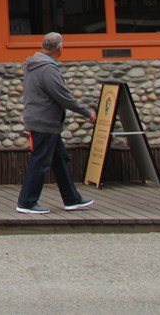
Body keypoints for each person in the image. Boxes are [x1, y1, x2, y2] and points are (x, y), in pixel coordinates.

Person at [16, 32, 96, 215]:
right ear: (59, 48)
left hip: (41, 120)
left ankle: (71, 199)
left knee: (60, 160)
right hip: (44, 122)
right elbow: (63, 96)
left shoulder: (33, 65)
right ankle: (27, 202)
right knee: (40, 162)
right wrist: (86, 112)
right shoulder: (48, 69)